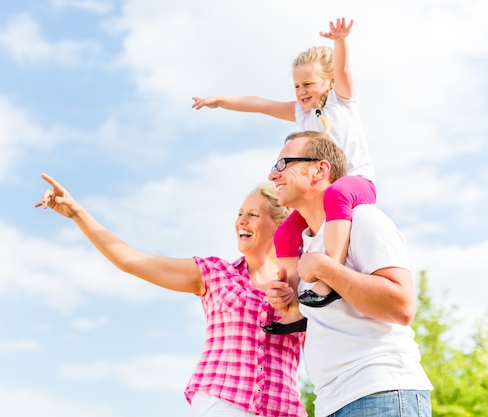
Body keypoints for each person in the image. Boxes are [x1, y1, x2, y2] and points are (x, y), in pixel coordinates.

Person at [34, 173, 306, 417]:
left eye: (253, 215)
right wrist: (77, 214)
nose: (241, 222)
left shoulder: (303, 285)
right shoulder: (215, 273)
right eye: (240, 213)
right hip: (224, 402)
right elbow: (132, 261)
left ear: (280, 223)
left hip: (285, 409)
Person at [192, 17, 376, 309]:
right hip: (321, 195)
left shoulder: (340, 101)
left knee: (336, 193)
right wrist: (221, 101)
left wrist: (340, 41)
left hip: (356, 185)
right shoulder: (300, 113)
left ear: (328, 83)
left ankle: (329, 278)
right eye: (296, 86)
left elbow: (342, 69)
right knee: (287, 233)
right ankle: (292, 307)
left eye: (308, 84)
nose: (301, 91)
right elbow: (260, 104)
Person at [267, 131, 433, 417]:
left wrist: (325, 268)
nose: (272, 176)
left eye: (283, 165)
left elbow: (403, 306)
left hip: (380, 393)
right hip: (330, 403)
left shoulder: (364, 218)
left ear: (320, 169)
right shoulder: (304, 244)